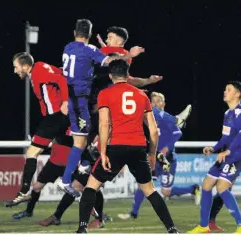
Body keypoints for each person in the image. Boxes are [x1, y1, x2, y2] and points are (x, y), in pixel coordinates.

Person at [76, 60, 177, 233]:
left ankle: (82, 228)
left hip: (116, 146)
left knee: (91, 186)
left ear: (110, 75)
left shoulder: (105, 94)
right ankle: (172, 229)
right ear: (127, 75)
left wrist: (103, 151)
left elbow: (104, 124)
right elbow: (153, 130)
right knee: (150, 190)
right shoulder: (142, 95)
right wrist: (152, 154)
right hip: (138, 147)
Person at [57, 19, 145, 197]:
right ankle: (66, 180)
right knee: (81, 142)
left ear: (75, 33)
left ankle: (82, 164)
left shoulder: (68, 47)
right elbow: (110, 61)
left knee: (82, 139)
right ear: (89, 35)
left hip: (71, 96)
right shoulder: (89, 50)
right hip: (80, 100)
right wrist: (130, 55)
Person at [118, 91, 200, 221]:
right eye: (153, 101)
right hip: (155, 158)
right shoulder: (153, 117)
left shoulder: (165, 120)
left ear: (164, 103)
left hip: (168, 160)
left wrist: (166, 148)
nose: (155, 103)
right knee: (144, 183)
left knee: (166, 192)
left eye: (158, 101)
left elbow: (177, 133)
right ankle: (134, 212)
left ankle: (193, 188)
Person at [6, 52, 70, 206]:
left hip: (55, 118)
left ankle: (23, 191)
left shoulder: (38, 72)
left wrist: (65, 102)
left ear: (25, 66)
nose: (15, 71)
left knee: (32, 152)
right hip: (59, 119)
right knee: (74, 156)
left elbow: (61, 79)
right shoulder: (41, 67)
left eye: (16, 67)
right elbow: (62, 73)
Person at [96, 27, 192, 128]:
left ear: (119, 41)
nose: (107, 40)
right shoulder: (113, 53)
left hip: (98, 96)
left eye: (110, 38)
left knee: (140, 106)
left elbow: (125, 76)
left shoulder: (119, 55)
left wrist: (148, 80)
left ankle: (169, 126)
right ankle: (173, 122)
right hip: (95, 95)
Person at [188, 81, 241, 234]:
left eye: (229, 90)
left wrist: (228, 152)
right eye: (225, 89)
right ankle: (204, 226)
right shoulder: (227, 114)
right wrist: (214, 148)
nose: (225, 92)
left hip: (236, 156)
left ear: (238, 94)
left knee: (222, 187)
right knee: (206, 185)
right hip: (226, 155)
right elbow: (225, 138)